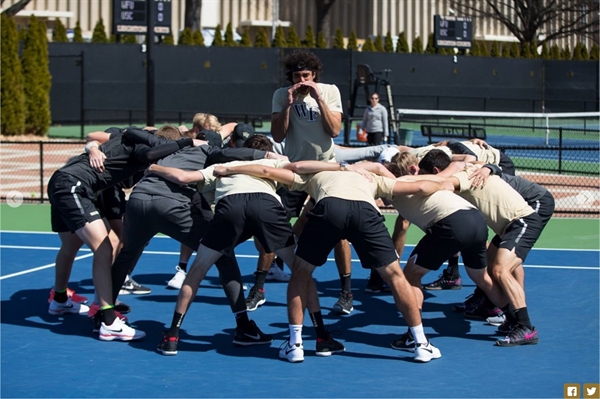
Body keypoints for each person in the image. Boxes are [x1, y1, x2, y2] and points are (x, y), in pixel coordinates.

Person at [218, 161, 451, 362]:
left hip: (329, 208)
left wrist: (229, 169)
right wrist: (447, 184)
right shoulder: (370, 178)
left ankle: (295, 345)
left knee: (300, 272)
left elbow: (266, 172)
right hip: (364, 212)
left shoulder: (316, 175)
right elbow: (421, 186)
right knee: (395, 276)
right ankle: (421, 344)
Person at [146, 144, 302, 356]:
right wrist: (342, 168)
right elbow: (297, 167)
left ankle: (172, 335)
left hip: (230, 207)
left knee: (197, 270)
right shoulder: (270, 161)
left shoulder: (220, 165)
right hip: (265, 205)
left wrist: (155, 168)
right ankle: (319, 335)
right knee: (301, 272)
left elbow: (183, 177)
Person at [47, 125, 199, 341]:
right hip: (74, 186)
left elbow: (125, 173)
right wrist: (187, 142)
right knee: (104, 247)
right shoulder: (142, 145)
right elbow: (146, 153)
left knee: (71, 245)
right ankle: (108, 321)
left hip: (63, 181)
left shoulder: (128, 140)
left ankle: (59, 301)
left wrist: (93, 148)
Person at [368, 152, 505, 350]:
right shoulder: (431, 179)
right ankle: (517, 320)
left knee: (410, 276)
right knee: (481, 276)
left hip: (451, 224)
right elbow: (459, 163)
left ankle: (414, 334)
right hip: (476, 220)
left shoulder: (403, 183)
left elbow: (384, 186)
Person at [258, 48, 355, 315]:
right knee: (274, 223)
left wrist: (319, 98)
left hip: (325, 168)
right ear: (290, 77)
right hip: (294, 168)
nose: (302, 81)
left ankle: (346, 292)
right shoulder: (281, 95)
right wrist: (289, 104)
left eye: (307, 76)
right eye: (297, 77)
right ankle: (259, 285)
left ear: (314, 75)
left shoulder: (330, 91)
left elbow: (334, 129)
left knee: (338, 231)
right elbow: (278, 135)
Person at [418, 149, 544, 346]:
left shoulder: (462, 176)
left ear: (435, 170)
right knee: (490, 269)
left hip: (522, 221)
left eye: (423, 173)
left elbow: (443, 184)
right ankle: (512, 318)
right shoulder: (469, 167)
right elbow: (470, 160)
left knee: (501, 269)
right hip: (507, 227)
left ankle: (526, 327)